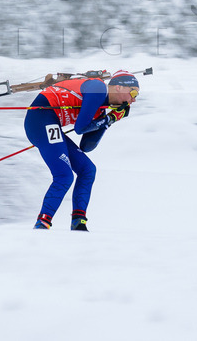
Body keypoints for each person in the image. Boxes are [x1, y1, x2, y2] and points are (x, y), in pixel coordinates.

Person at [23, 70, 139, 231]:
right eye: (133, 92)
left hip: (52, 123)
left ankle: (78, 222)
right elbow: (80, 128)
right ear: (118, 87)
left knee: (88, 170)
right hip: (41, 118)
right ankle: (42, 223)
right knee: (64, 176)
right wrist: (109, 118)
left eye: (136, 96)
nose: (133, 100)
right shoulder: (98, 88)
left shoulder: (100, 108)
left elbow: (87, 146)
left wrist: (110, 119)